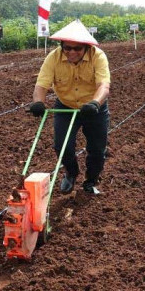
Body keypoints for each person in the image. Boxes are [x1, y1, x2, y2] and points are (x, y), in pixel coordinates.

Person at [29, 19, 111, 195]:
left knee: (97, 149)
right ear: (62, 46)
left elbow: (104, 86)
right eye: (67, 48)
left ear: (86, 47)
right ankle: (71, 173)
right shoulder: (53, 58)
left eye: (77, 48)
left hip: (93, 108)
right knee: (61, 146)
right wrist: (38, 102)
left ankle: (90, 180)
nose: (71, 52)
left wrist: (95, 103)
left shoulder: (98, 56)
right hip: (65, 106)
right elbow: (41, 85)